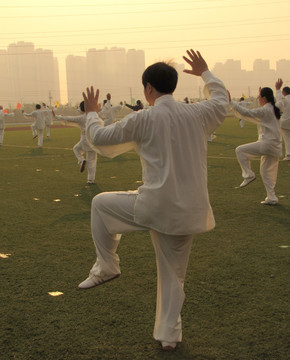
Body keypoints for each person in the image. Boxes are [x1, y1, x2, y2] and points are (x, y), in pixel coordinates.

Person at [78, 49, 228, 351]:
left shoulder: (144, 117)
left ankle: (107, 265)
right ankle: (169, 337)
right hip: (188, 210)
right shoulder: (197, 113)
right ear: (172, 86)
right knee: (174, 273)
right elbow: (222, 100)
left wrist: (91, 112)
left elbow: (101, 138)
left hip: (155, 206)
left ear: (148, 88)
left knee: (101, 205)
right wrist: (205, 73)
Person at [230, 86, 282, 205]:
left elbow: (246, 112)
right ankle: (272, 197)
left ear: (264, 98)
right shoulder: (275, 107)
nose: (258, 99)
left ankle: (248, 174)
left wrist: (230, 101)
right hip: (275, 146)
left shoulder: (265, 110)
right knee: (265, 172)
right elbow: (279, 99)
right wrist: (278, 89)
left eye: (259, 97)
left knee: (240, 150)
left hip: (267, 144)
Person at [53, 101, 97, 184]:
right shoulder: (94, 116)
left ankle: (81, 160)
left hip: (84, 140)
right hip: (93, 140)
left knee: (76, 149)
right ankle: (91, 180)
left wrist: (56, 116)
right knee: (92, 160)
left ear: (81, 108)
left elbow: (69, 118)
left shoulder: (81, 118)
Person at [275, 78, 290, 161]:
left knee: (287, 138)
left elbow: (279, 102)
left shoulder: (284, 99)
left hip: (285, 122)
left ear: (284, 92)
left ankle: (288, 155)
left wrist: (277, 89)